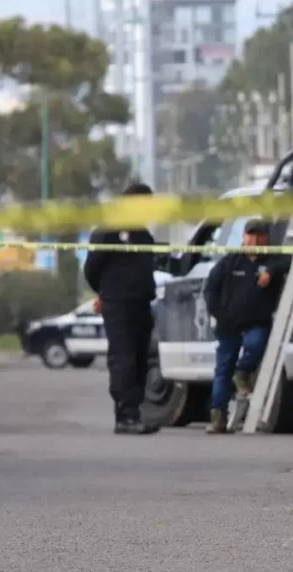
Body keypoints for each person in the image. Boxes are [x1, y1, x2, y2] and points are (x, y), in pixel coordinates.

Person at [84, 182, 161, 435]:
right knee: (124, 359)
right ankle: (125, 416)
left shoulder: (143, 235)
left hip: (141, 304)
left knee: (139, 359)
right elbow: (92, 268)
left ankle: (133, 413)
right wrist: (105, 294)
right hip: (119, 305)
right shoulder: (109, 231)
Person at [202, 219, 289, 434]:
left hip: (257, 323)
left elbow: (292, 260)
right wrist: (220, 315)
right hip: (228, 325)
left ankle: (243, 372)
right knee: (222, 370)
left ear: (267, 239)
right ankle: (218, 417)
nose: (256, 239)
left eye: (260, 235)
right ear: (244, 237)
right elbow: (210, 289)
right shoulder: (230, 262)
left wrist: (271, 270)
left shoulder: (273, 259)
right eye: (252, 235)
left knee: (256, 344)